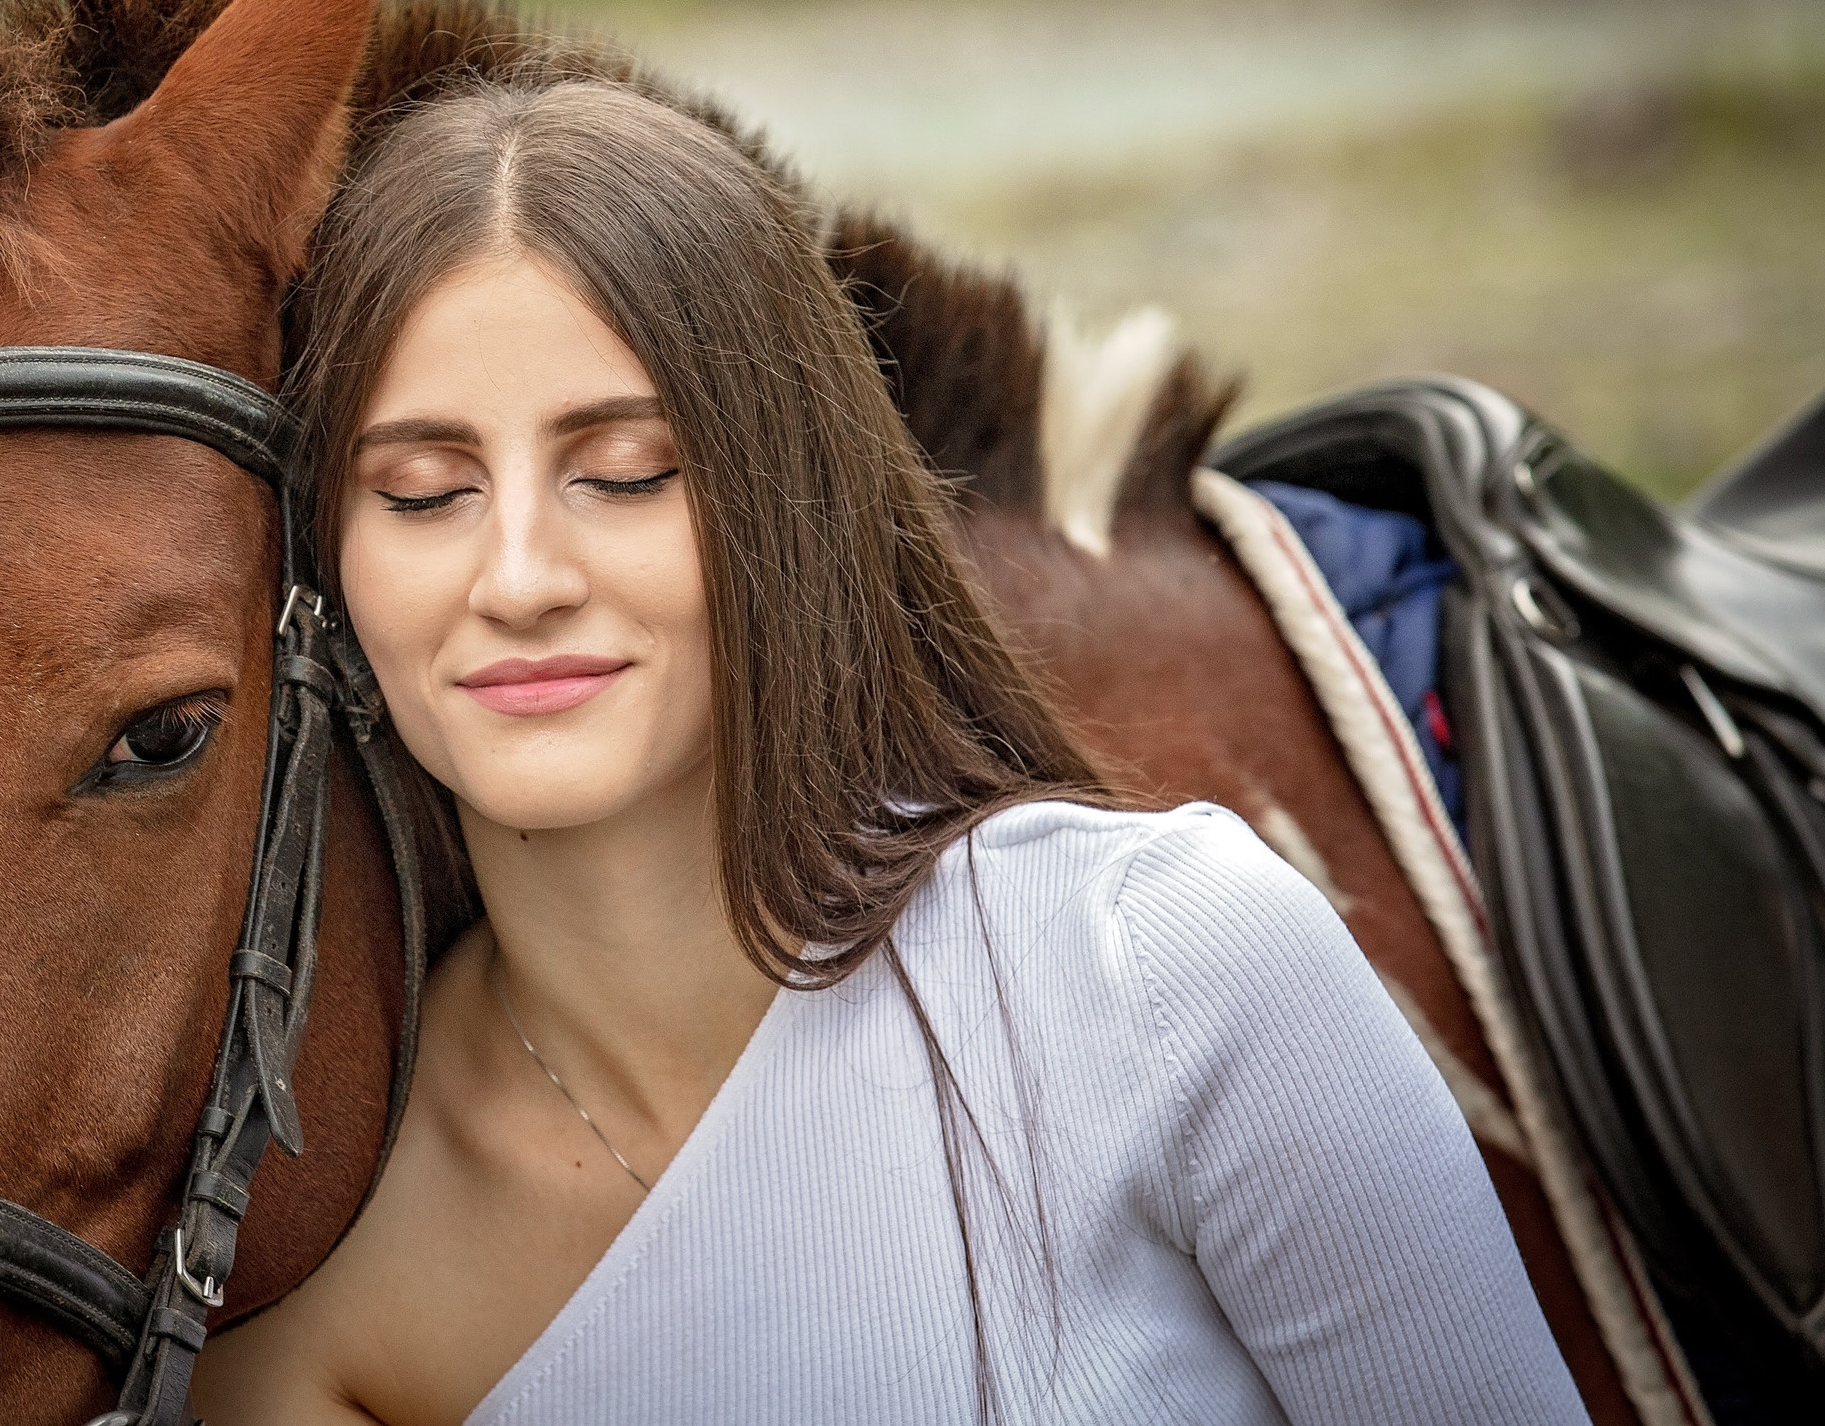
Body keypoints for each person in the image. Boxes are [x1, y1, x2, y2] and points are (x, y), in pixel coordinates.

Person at [192, 80, 1586, 1425]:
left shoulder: (1170, 972)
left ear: (789, 496)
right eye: (423, 493)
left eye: (623, 471)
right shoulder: (319, 1292)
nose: (518, 577)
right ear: (330, 561)